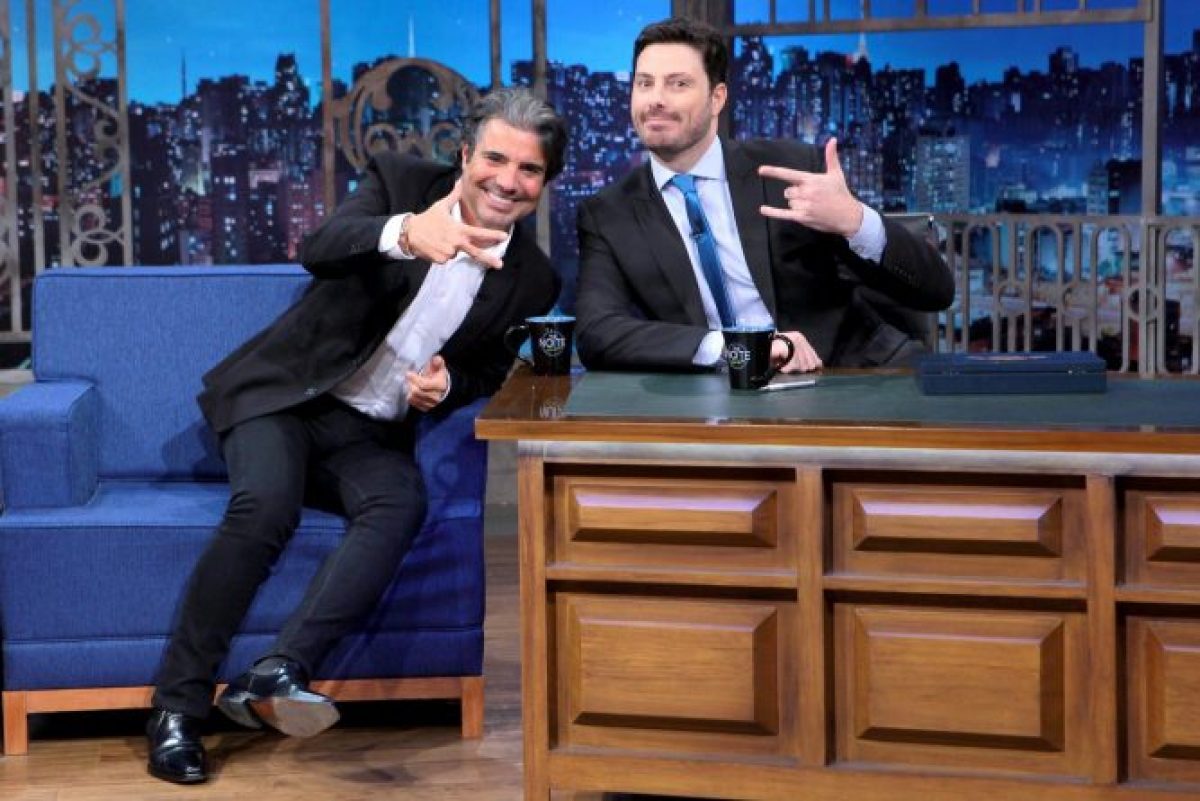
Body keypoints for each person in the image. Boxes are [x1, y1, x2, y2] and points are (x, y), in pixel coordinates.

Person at [145, 87, 566, 785]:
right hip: (286, 398)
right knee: (265, 506)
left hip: (368, 433)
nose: (507, 180)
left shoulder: (535, 279)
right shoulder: (402, 184)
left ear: (544, 183)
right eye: (495, 159)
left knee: (401, 503)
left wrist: (448, 386)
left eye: (529, 169)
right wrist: (403, 234)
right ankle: (176, 710)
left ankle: (278, 671)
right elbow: (319, 247)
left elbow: (492, 368)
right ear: (466, 155)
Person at [575, 17, 955, 374]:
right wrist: (735, 348)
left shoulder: (791, 169)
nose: (656, 99)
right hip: (719, 397)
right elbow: (597, 331)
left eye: (678, 84)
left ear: (717, 98)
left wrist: (854, 221)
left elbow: (936, 290)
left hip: (849, 376)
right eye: (644, 83)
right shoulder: (608, 213)